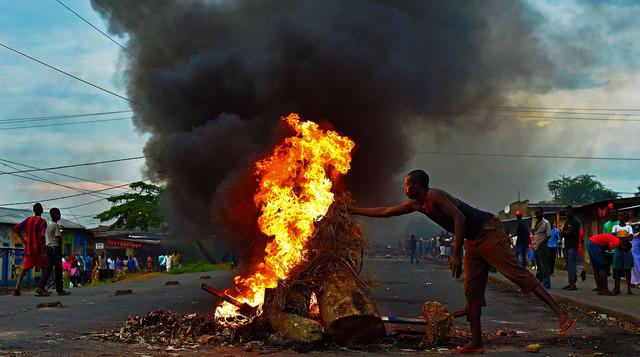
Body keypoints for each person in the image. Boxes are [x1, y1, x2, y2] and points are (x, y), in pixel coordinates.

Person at [348, 169, 574, 354]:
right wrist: (351, 210)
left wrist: (455, 254)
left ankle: (561, 314)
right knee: (471, 292)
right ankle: (476, 343)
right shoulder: (417, 205)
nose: (405, 189)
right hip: (472, 242)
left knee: (517, 275)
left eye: (408, 184)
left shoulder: (434, 196)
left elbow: (460, 218)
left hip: (488, 231)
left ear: (419, 185)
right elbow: (385, 211)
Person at [13, 203, 48, 296]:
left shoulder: (28, 220)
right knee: (45, 269)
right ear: (42, 211)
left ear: (33, 211)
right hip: (39, 250)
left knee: (24, 270)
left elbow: (16, 228)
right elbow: (42, 235)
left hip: (29, 249)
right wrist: (45, 248)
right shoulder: (43, 222)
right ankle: (41, 287)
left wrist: (23, 240)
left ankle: (17, 287)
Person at [35, 208, 69, 296]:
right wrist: (61, 251)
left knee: (48, 269)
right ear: (54, 215)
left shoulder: (48, 225)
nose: (59, 215)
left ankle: (40, 287)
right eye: (58, 214)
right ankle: (60, 290)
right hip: (55, 248)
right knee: (58, 270)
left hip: (48, 248)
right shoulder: (56, 226)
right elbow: (58, 239)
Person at [611, 212, 634, 295]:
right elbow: (613, 237)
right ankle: (617, 288)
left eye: (622, 215)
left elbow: (631, 237)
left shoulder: (629, 227)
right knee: (617, 269)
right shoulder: (615, 227)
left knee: (628, 269)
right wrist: (625, 238)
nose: (620, 217)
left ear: (625, 217)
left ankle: (629, 289)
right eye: (619, 216)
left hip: (627, 250)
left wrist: (620, 238)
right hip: (618, 249)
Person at [561, 206, 580, 290]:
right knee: (568, 265)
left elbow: (568, 232)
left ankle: (573, 284)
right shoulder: (567, 222)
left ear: (572, 212)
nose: (567, 213)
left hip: (573, 246)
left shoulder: (575, 222)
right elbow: (564, 233)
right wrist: (564, 232)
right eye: (566, 212)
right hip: (567, 245)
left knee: (571, 264)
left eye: (568, 212)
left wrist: (564, 232)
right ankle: (570, 282)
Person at [532, 208, 552, 289]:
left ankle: (546, 283)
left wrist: (541, 244)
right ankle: (539, 282)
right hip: (536, 246)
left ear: (542, 213)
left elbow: (549, 235)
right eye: (536, 213)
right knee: (539, 266)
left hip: (542, 247)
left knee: (544, 266)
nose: (537, 215)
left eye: (539, 213)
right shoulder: (537, 223)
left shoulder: (546, 223)